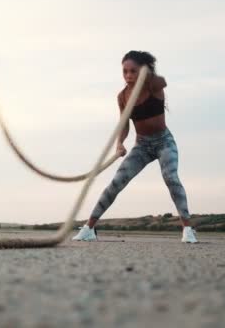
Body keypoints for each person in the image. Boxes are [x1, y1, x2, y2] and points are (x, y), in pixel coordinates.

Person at [72, 50, 198, 243]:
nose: (129, 76)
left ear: (143, 71)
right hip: (142, 146)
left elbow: (163, 81)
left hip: (164, 141)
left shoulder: (154, 87)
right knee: (116, 182)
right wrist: (119, 143)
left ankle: (188, 230)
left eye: (133, 71)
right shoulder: (122, 97)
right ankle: (89, 228)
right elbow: (123, 124)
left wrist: (146, 76)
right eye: (125, 71)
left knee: (171, 177)